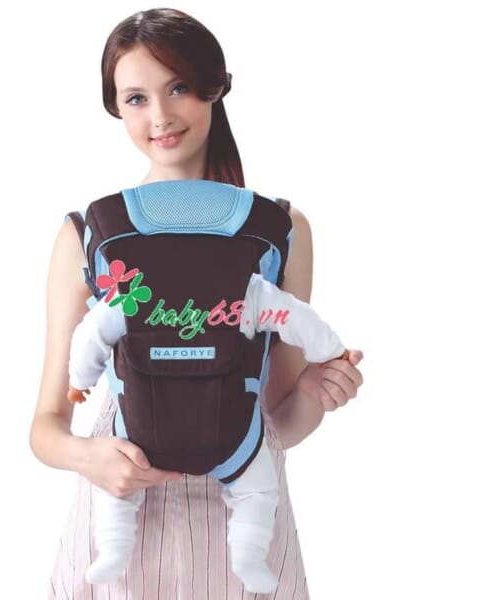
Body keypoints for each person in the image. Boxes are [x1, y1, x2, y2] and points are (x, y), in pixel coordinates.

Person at [29, 8, 365, 599]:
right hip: (122, 525)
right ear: (116, 107)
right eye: (136, 98)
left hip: (246, 530)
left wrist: (315, 392)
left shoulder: (279, 230)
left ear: (215, 86)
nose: (160, 116)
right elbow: (46, 426)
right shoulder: (88, 235)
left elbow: (279, 424)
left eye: (178, 87)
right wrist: (90, 458)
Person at [67, 270, 349, 593]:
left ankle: (113, 548)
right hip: (233, 432)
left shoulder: (132, 291)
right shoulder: (246, 284)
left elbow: (92, 333)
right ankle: (249, 554)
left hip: (141, 431)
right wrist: (331, 351)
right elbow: (295, 318)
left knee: (115, 490)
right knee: (258, 489)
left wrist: (79, 380)